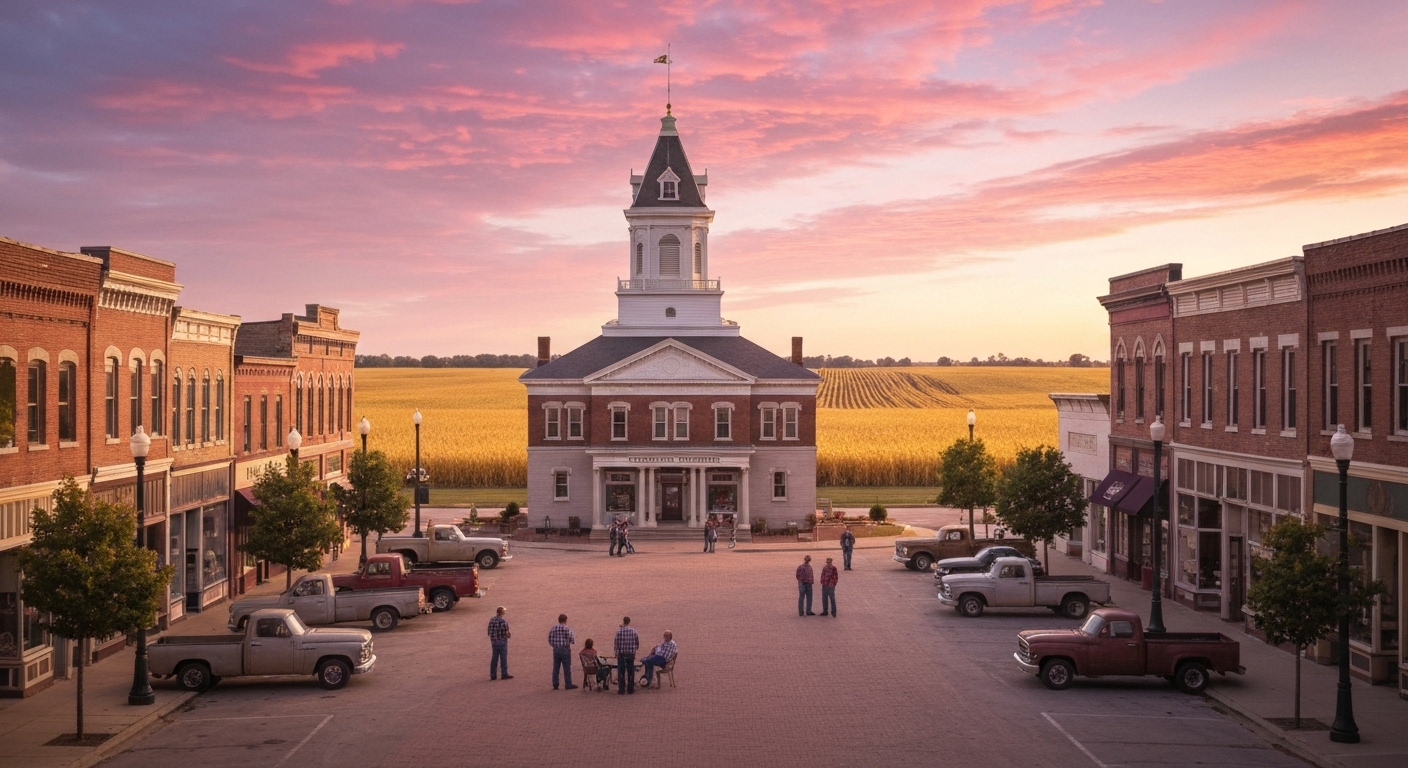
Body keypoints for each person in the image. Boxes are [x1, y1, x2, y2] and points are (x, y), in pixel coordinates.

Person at [548, 614, 577, 690]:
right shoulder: (567, 628)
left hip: (556, 649)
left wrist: (554, 645)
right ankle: (568, 683)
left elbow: (550, 639)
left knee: (556, 667)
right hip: (565, 649)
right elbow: (572, 639)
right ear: (565, 620)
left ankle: (555, 683)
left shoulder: (553, 628)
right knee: (566, 667)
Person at [613, 616, 639, 694]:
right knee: (630, 672)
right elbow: (637, 643)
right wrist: (634, 650)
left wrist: (616, 654)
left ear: (623, 621)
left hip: (622, 654)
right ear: (629, 622)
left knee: (621, 672)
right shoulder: (633, 631)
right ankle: (630, 689)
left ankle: (621, 690)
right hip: (630, 654)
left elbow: (616, 644)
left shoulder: (619, 632)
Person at [487, 606, 512, 680]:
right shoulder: (504, 621)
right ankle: (504, 674)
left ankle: (493, 675)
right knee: (503, 658)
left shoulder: (492, 620)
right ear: (502, 612)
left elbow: (489, 632)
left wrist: (493, 638)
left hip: (494, 642)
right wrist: (508, 635)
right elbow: (507, 633)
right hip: (502, 641)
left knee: (494, 658)